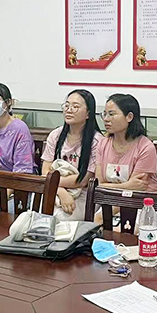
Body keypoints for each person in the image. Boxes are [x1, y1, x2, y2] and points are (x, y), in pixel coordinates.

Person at [41, 89, 103, 221]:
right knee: (40, 217)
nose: (69, 110)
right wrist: (60, 191)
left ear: (88, 113)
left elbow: (85, 179)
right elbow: (45, 171)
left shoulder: (97, 141)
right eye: (67, 105)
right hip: (54, 190)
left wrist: (55, 183)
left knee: (61, 219)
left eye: (75, 107)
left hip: (83, 193)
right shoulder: (56, 135)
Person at [0, 83, 36, 210]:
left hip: (18, 189)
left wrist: (4, 195)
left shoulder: (20, 129)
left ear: (8, 102)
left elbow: (23, 170)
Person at [96, 94, 157, 193]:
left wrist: (106, 186)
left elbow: (137, 187)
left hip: (139, 200)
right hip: (107, 199)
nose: (106, 119)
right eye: (105, 114)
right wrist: (126, 186)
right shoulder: (102, 144)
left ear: (129, 117)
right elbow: (97, 185)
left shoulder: (145, 147)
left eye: (111, 114)